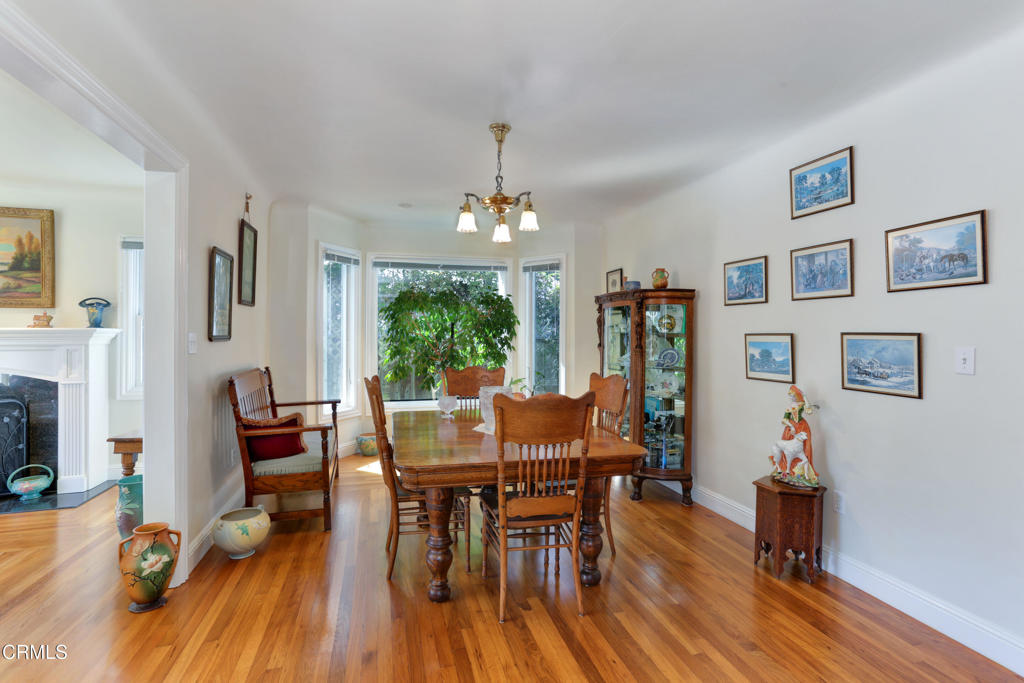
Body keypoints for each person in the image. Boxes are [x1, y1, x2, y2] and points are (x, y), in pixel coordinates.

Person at [770, 385, 819, 486]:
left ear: (797, 395)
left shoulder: (801, 404)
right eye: (790, 396)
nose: (791, 398)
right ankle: (788, 470)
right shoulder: (789, 407)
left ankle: (802, 471)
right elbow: (784, 419)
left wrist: (805, 396)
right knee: (788, 449)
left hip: (802, 427)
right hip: (791, 428)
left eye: (793, 396)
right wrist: (791, 426)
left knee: (804, 447)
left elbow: (809, 410)